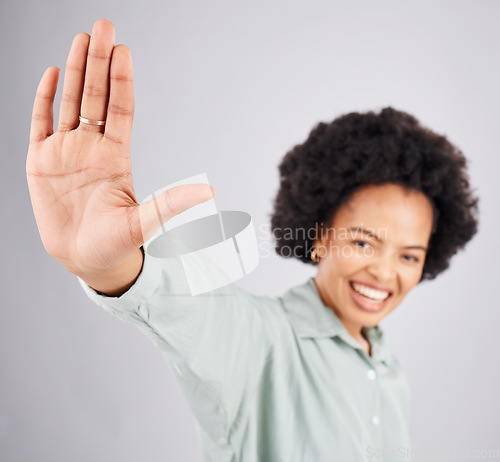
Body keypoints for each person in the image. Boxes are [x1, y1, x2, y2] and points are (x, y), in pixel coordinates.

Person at [26, 18, 479, 462]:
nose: (384, 271)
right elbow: (180, 306)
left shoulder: (390, 373)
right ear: (319, 236)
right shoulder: (260, 343)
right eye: (362, 243)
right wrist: (106, 266)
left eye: (409, 255)